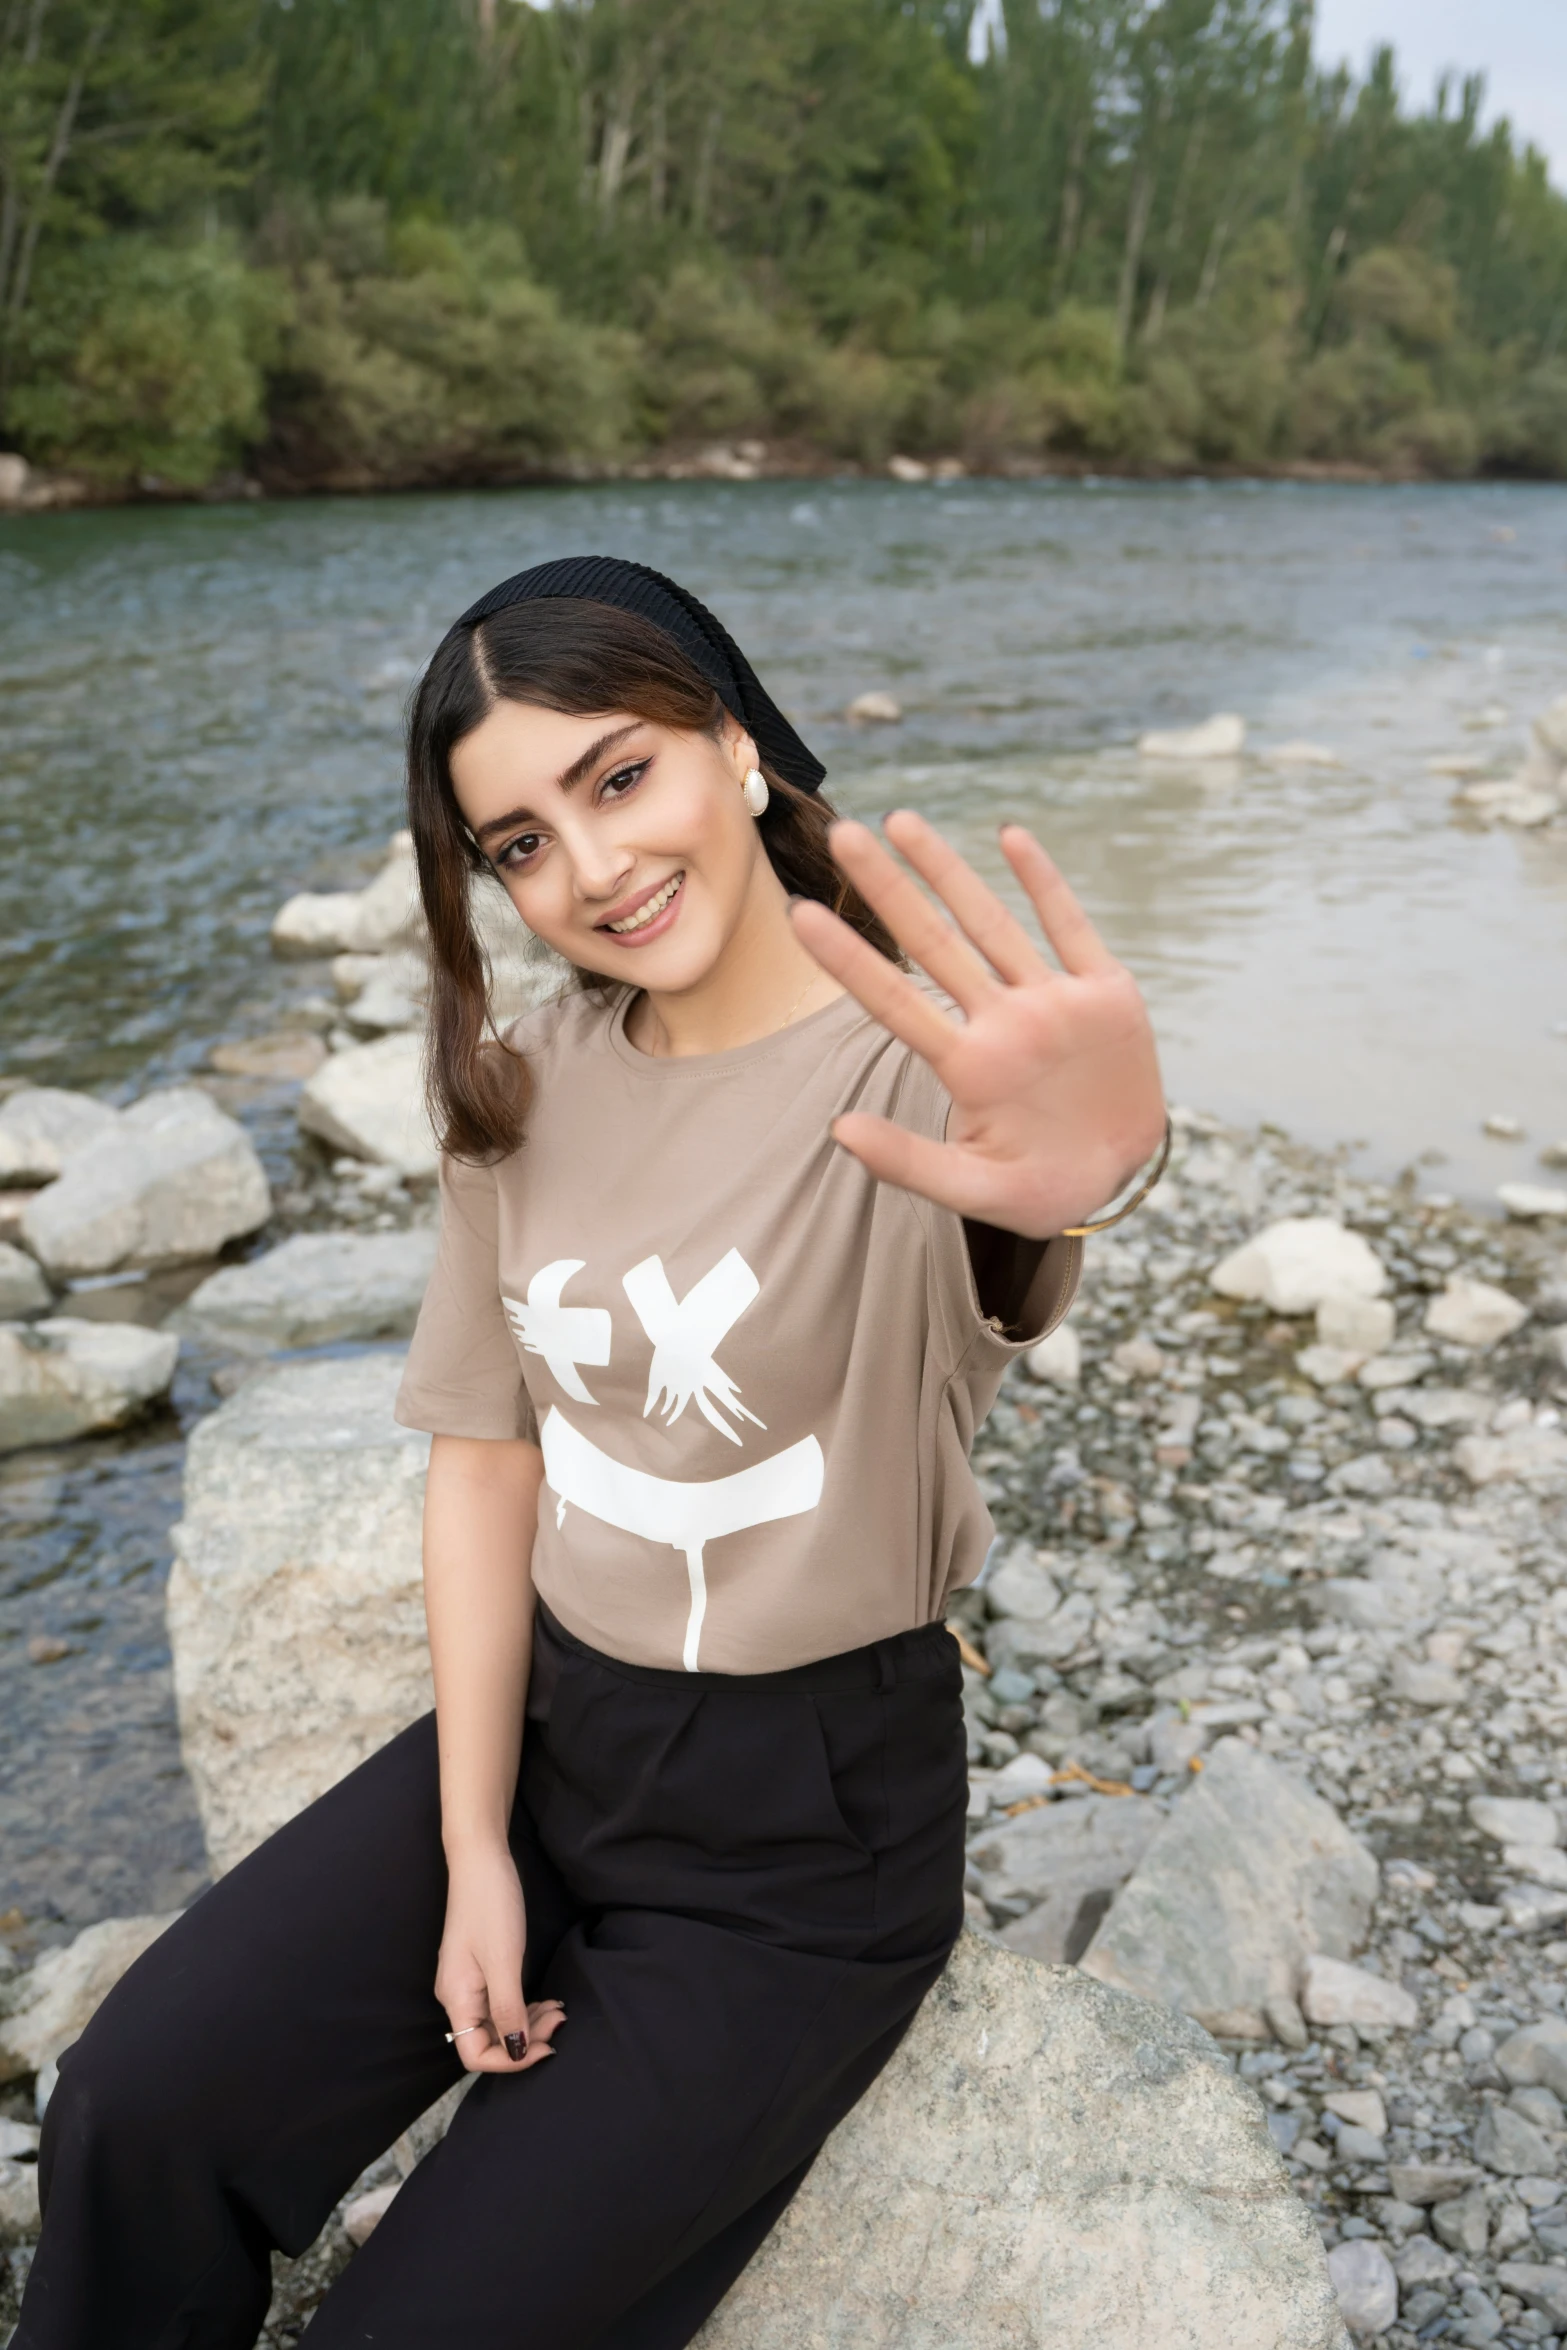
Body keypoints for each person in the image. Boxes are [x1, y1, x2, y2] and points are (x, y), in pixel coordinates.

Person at [16, 555, 1166, 2350]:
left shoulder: (924, 1074)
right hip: (559, 1743)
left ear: (734, 740)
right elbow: (484, 1461)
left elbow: (1028, 1218)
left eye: (619, 776)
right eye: (521, 843)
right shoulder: (525, 1084)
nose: (594, 868)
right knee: (131, 2106)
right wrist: (475, 1848)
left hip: (803, 1841)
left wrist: (1102, 1166)